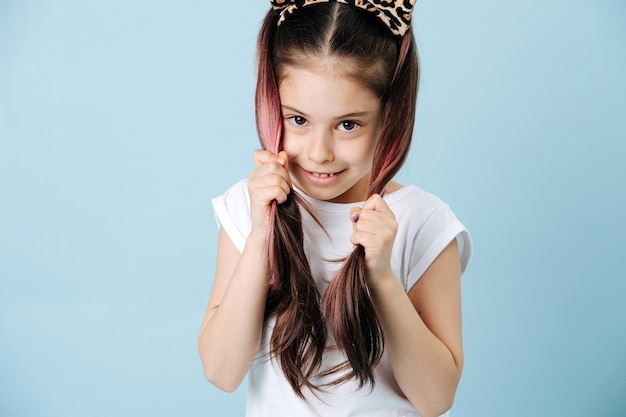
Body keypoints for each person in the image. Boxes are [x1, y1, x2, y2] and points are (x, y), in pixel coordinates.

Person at [198, 1, 472, 416]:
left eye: (348, 125)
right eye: (299, 120)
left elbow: (436, 399)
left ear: (389, 114)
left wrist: (382, 277)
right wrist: (259, 237)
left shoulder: (423, 222)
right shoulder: (249, 206)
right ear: (274, 105)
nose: (319, 154)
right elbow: (222, 371)